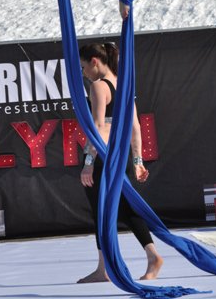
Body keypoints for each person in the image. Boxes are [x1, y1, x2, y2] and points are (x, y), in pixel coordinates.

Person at [78, 42, 163, 283]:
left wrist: (88, 162)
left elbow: (97, 127)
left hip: (102, 156)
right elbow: (135, 127)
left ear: (95, 61)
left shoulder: (98, 86)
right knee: (126, 208)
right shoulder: (123, 85)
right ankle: (151, 256)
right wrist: (137, 160)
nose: (83, 72)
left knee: (101, 211)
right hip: (120, 155)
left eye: (83, 67)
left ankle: (104, 268)